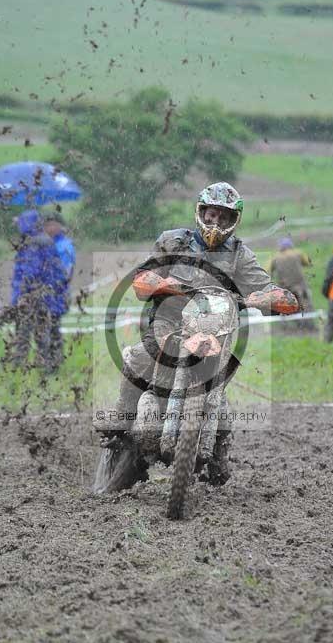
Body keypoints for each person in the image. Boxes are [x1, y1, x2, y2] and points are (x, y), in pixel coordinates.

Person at [94, 182, 298, 447]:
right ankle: (122, 415)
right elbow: (143, 277)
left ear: (233, 220)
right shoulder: (174, 240)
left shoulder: (239, 255)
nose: (216, 222)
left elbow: (267, 288)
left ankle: (217, 452)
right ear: (201, 213)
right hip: (170, 323)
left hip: (217, 330)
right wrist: (163, 284)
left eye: (223, 216)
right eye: (212, 214)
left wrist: (271, 298)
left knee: (221, 382)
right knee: (141, 356)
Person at [9, 209, 67, 372]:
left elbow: (29, 273)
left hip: (30, 298)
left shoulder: (33, 244)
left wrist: (20, 296)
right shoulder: (45, 241)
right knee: (42, 334)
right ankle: (46, 368)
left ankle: (19, 368)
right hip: (46, 297)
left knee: (23, 335)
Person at [43, 211, 76, 368]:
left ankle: (54, 362)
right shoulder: (43, 243)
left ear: (60, 226)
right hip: (43, 294)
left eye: (53, 224)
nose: (50, 228)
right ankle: (47, 361)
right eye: (47, 225)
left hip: (57, 293)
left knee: (53, 328)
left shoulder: (65, 245)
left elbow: (66, 272)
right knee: (44, 328)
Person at [268, 237, 314, 329]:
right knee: (306, 304)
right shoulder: (298, 253)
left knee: (284, 307)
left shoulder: (275, 258)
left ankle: (286, 327)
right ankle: (309, 325)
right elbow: (308, 263)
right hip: (300, 286)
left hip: (285, 288)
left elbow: (268, 272)